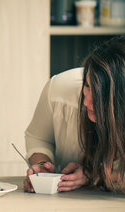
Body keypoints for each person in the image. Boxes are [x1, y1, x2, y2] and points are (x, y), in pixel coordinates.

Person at [23, 36, 125, 193]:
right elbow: (38, 137)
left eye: (98, 96)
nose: (86, 102)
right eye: (87, 86)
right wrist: (43, 165)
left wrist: (94, 174)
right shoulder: (60, 89)